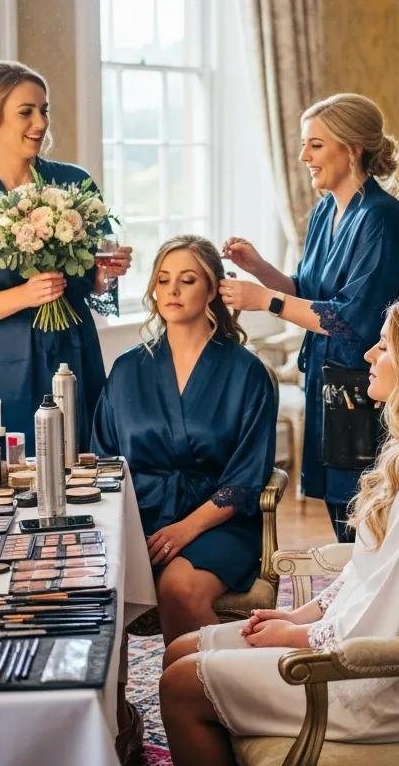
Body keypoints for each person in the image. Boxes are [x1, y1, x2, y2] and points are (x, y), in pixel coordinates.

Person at [157, 293, 399, 766]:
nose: (369, 355)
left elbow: (397, 610)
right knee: (182, 650)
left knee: (181, 685)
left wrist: (301, 639)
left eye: (384, 346)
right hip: (378, 639)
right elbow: (374, 572)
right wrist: (299, 617)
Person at [220, 94, 399, 541]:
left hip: (367, 389)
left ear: (352, 149)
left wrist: (265, 300)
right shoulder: (326, 210)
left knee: (366, 521)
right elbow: (310, 295)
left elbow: (352, 321)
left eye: (315, 145)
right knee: (339, 514)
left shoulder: (382, 220)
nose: (303, 157)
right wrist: (261, 270)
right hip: (325, 384)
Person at [0, 60, 131, 454]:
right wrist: (25, 294)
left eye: (44, 110)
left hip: (74, 350)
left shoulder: (75, 184)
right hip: (6, 363)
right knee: (14, 466)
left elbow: (95, 284)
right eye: (26, 112)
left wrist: (108, 271)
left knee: (85, 459)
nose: (40, 123)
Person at [92, 236, 277, 645]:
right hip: (140, 519)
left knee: (179, 588)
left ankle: (212, 684)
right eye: (163, 280)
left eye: (188, 280)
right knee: (92, 584)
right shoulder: (126, 370)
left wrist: (184, 529)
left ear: (212, 290)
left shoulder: (246, 373)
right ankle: (117, 693)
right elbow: (104, 461)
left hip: (216, 521)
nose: (172, 290)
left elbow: (245, 477)